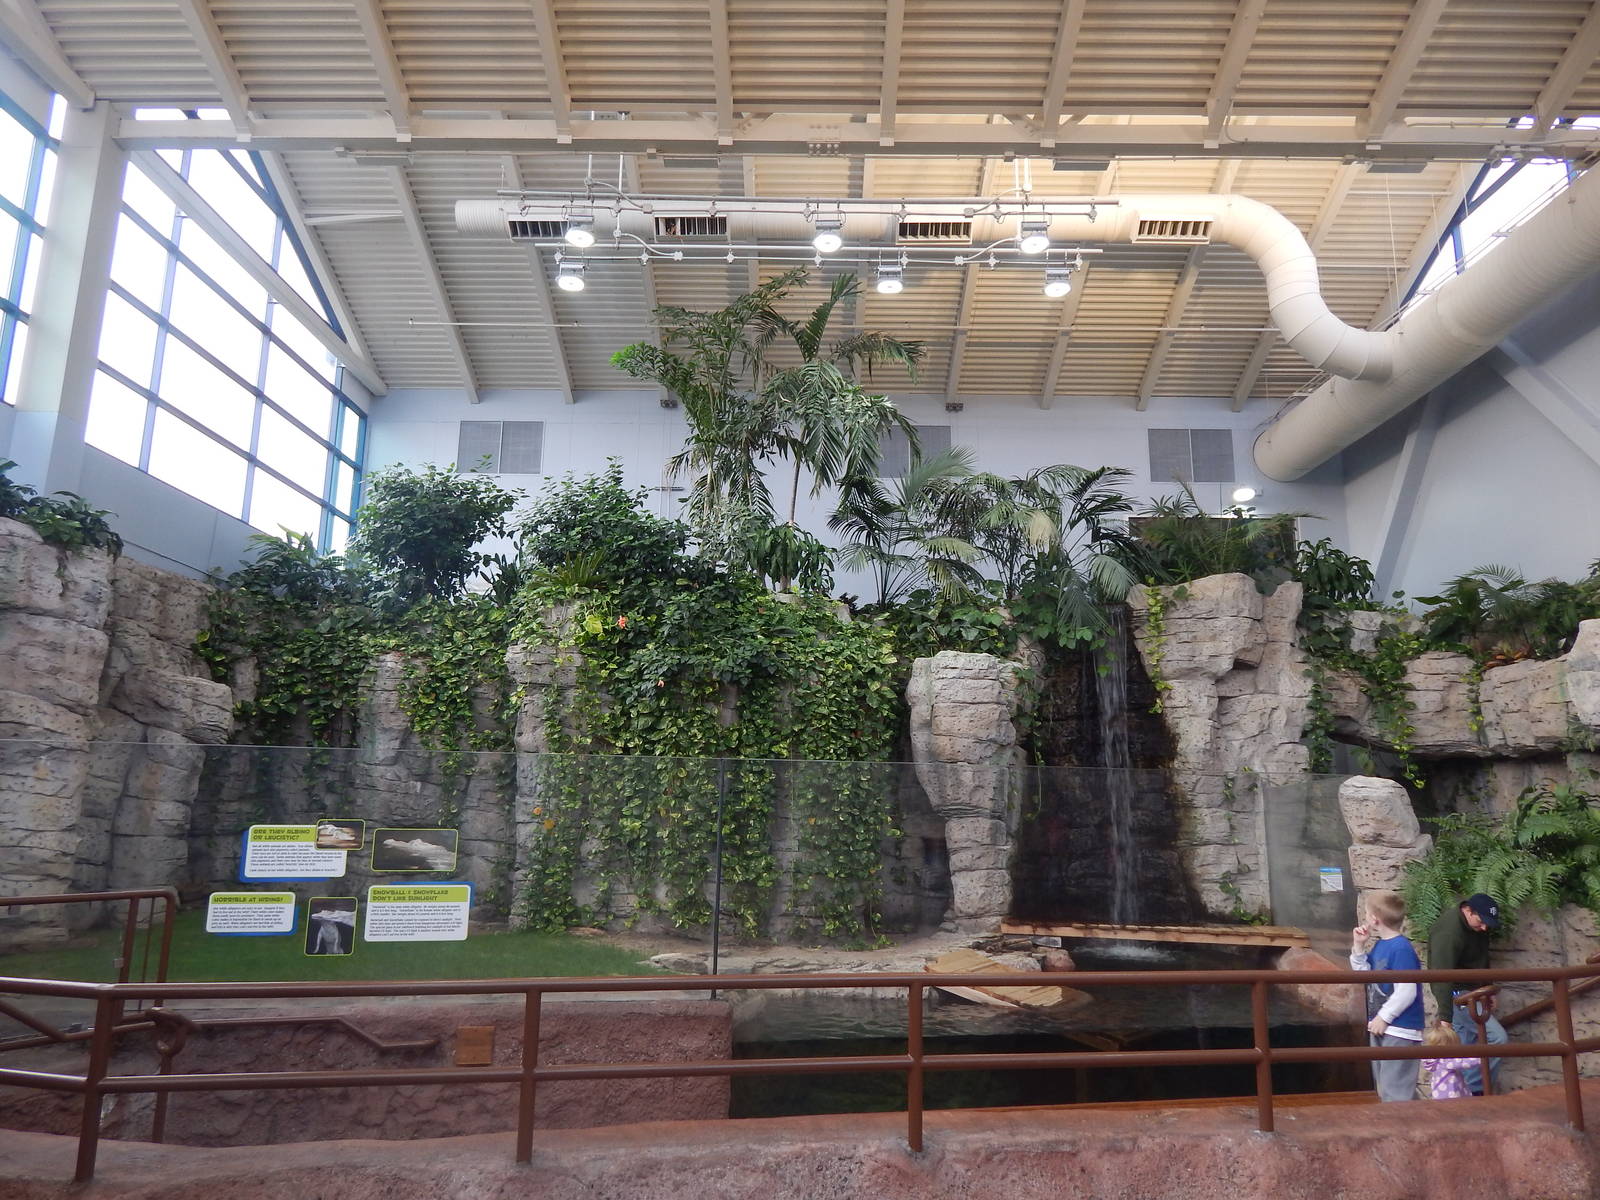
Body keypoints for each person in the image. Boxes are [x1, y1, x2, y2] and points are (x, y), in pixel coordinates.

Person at [1426, 892, 1507, 1095]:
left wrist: (1487, 989)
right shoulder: (1449, 933)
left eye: (1488, 923)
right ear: (1468, 911)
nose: (1485, 928)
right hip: (1458, 994)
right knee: (1497, 1038)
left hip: (1473, 991)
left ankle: (1465, 1093)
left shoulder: (1477, 925)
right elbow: (1440, 974)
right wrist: (1446, 1016)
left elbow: (1482, 956)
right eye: (1481, 921)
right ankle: (1476, 1092)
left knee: (1465, 1043)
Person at [1350, 890, 1426, 1101]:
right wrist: (1358, 947)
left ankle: (1403, 1131)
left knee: (1395, 1092)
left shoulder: (1401, 949)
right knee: (1389, 1088)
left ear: (1375, 919)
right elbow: (1366, 977)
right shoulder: (1381, 945)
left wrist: (1384, 1017)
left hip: (1399, 1028)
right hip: (1382, 1024)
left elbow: (1407, 990)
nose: (1365, 917)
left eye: (1366, 912)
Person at [1421, 1023, 1481, 1100]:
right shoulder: (1446, 1061)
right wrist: (1481, 1058)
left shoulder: (1437, 1061)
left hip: (1441, 1095)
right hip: (1450, 1097)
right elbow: (1464, 1062)